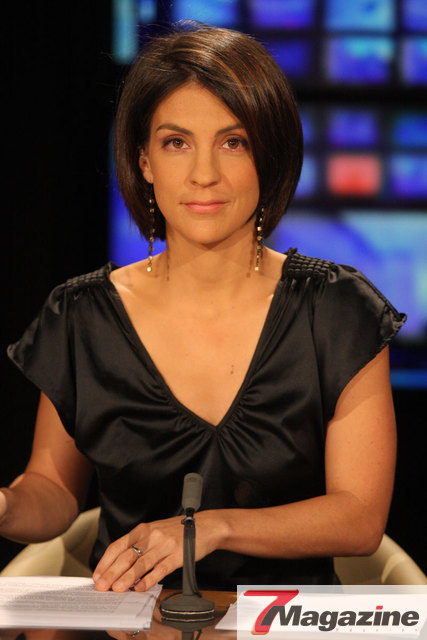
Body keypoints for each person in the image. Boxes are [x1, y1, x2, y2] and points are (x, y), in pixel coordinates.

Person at [2, 24, 405, 592]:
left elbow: (359, 518)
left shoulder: (337, 310)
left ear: (268, 156)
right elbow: (52, 494)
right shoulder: (80, 316)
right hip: (129, 623)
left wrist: (209, 528)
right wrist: (5, 505)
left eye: (233, 142)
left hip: (284, 623)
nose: (204, 174)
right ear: (144, 161)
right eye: (177, 142)